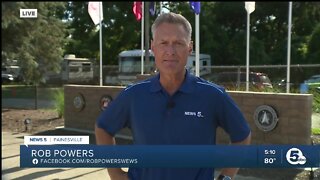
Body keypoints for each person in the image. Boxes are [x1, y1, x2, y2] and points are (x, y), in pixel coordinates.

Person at [95, 12, 251, 180]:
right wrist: (116, 174)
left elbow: (242, 136)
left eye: (178, 43)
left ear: (189, 47)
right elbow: (103, 128)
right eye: (164, 43)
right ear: (153, 47)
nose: (170, 51)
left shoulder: (212, 95)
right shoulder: (133, 95)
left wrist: (225, 178)